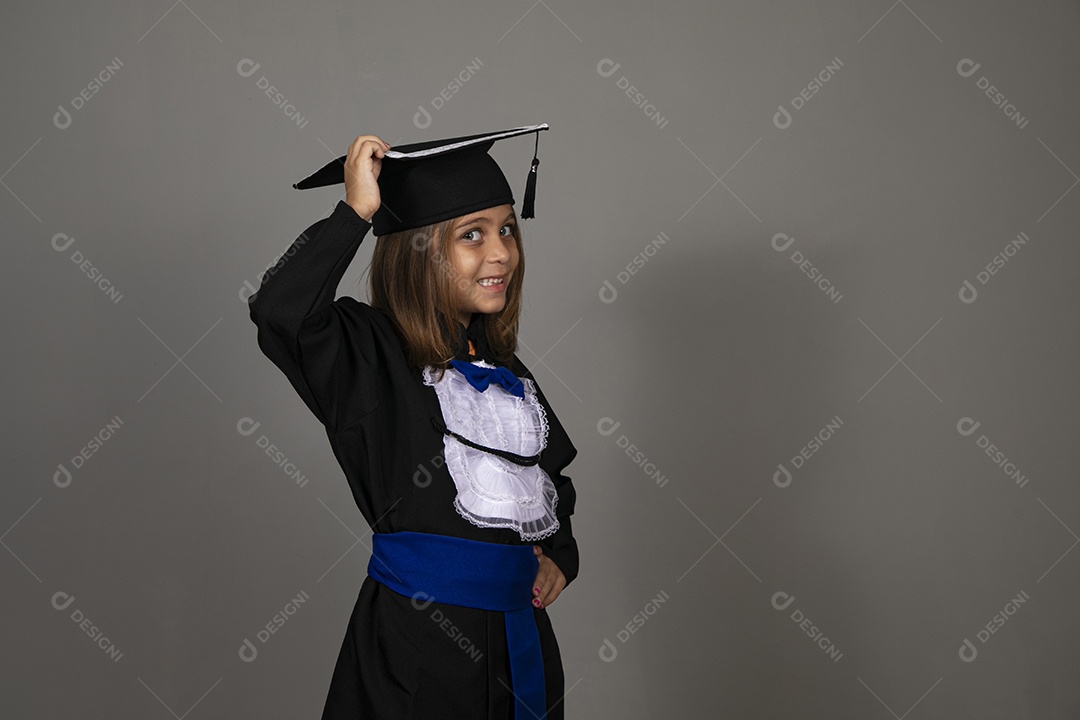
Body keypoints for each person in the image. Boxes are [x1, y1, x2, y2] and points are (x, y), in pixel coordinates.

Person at [247, 124, 580, 720]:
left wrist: (559, 554)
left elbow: (551, 481)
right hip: (417, 645)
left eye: (507, 228)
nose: (500, 251)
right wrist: (354, 212)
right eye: (471, 236)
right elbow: (281, 313)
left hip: (520, 641)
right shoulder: (369, 354)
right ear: (418, 249)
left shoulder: (504, 368)